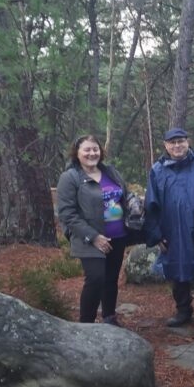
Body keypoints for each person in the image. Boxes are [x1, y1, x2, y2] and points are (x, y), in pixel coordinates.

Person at [56, 135, 138, 325]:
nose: (92, 153)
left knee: (111, 279)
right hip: (89, 237)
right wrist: (93, 237)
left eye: (95, 149)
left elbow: (124, 194)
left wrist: (133, 205)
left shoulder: (109, 171)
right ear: (77, 153)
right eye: (87, 150)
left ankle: (109, 317)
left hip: (117, 235)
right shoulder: (70, 177)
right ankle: (86, 324)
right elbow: (67, 213)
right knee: (95, 279)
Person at [143, 128, 194, 328]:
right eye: (172, 142)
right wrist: (156, 235)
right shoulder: (157, 171)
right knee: (176, 271)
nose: (177, 146)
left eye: (181, 141)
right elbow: (151, 205)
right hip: (171, 230)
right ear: (166, 145)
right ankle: (183, 310)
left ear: (188, 142)